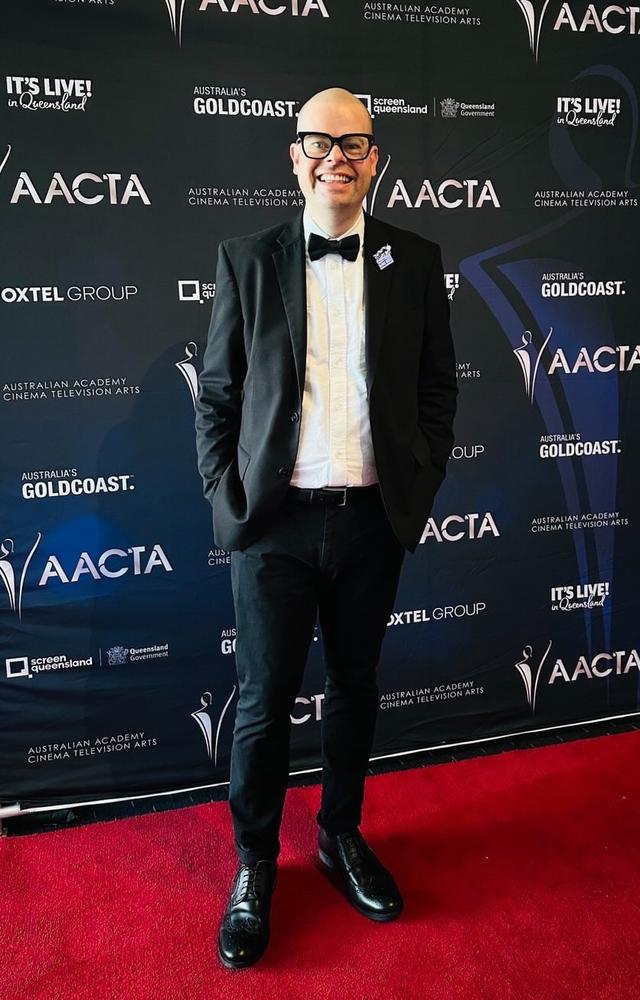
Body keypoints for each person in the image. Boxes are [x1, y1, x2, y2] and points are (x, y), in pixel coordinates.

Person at [195, 87, 457, 969]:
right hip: (273, 529)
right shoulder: (247, 258)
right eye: (317, 139)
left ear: (375, 158)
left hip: (370, 523)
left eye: (353, 142)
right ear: (294, 153)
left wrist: (416, 485)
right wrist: (224, 497)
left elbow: (436, 390)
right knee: (264, 708)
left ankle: (340, 837)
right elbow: (221, 395)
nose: (334, 155)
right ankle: (254, 864)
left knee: (355, 688)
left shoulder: (416, 260)